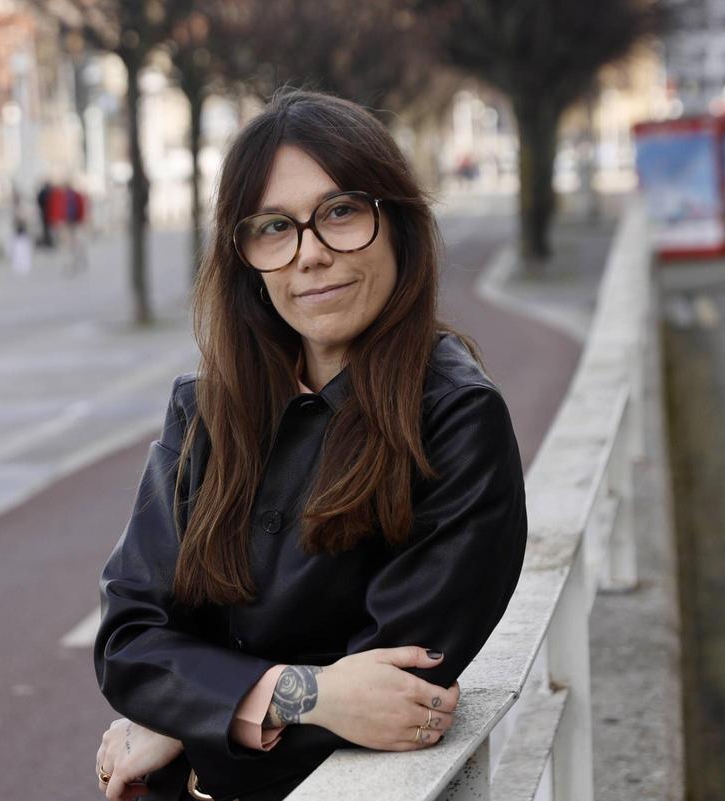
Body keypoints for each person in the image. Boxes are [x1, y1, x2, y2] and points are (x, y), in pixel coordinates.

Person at [92, 91, 527, 801]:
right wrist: (302, 693)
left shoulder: (455, 419)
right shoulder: (204, 409)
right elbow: (129, 642)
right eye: (273, 227)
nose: (311, 255)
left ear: (398, 223)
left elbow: (397, 692)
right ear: (245, 257)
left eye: (341, 212)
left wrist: (183, 713)